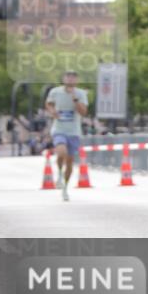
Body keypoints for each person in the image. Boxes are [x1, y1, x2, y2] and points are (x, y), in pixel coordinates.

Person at [44, 71, 89, 201]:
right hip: (59, 129)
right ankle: (58, 174)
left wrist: (76, 101)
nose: (70, 79)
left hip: (74, 131)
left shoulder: (80, 94)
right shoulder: (55, 92)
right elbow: (49, 104)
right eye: (68, 76)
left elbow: (83, 112)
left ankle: (65, 188)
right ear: (63, 78)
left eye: (73, 77)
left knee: (69, 162)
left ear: (77, 80)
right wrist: (53, 112)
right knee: (61, 152)